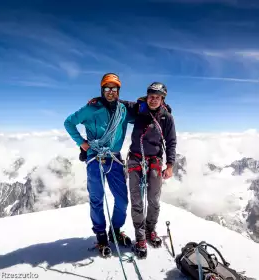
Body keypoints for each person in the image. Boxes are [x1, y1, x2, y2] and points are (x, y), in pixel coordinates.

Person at [63, 73, 134, 257]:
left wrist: (163, 109)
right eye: (107, 88)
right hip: (95, 158)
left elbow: (145, 112)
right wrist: (81, 142)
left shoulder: (124, 111)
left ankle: (115, 231)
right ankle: (101, 235)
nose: (111, 92)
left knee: (122, 200)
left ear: (118, 91)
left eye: (114, 88)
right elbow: (69, 122)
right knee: (97, 198)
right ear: (102, 90)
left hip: (114, 158)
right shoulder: (91, 109)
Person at [124, 82, 177, 259]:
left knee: (154, 200)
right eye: (151, 96)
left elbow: (171, 141)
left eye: (157, 97)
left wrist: (170, 165)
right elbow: (117, 102)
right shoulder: (138, 109)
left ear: (162, 99)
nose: (153, 100)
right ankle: (140, 238)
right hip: (136, 159)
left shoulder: (167, 118)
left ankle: (150, 230)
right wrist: (100, 99)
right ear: (147, 97)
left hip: (154, 160)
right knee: (137, 201)